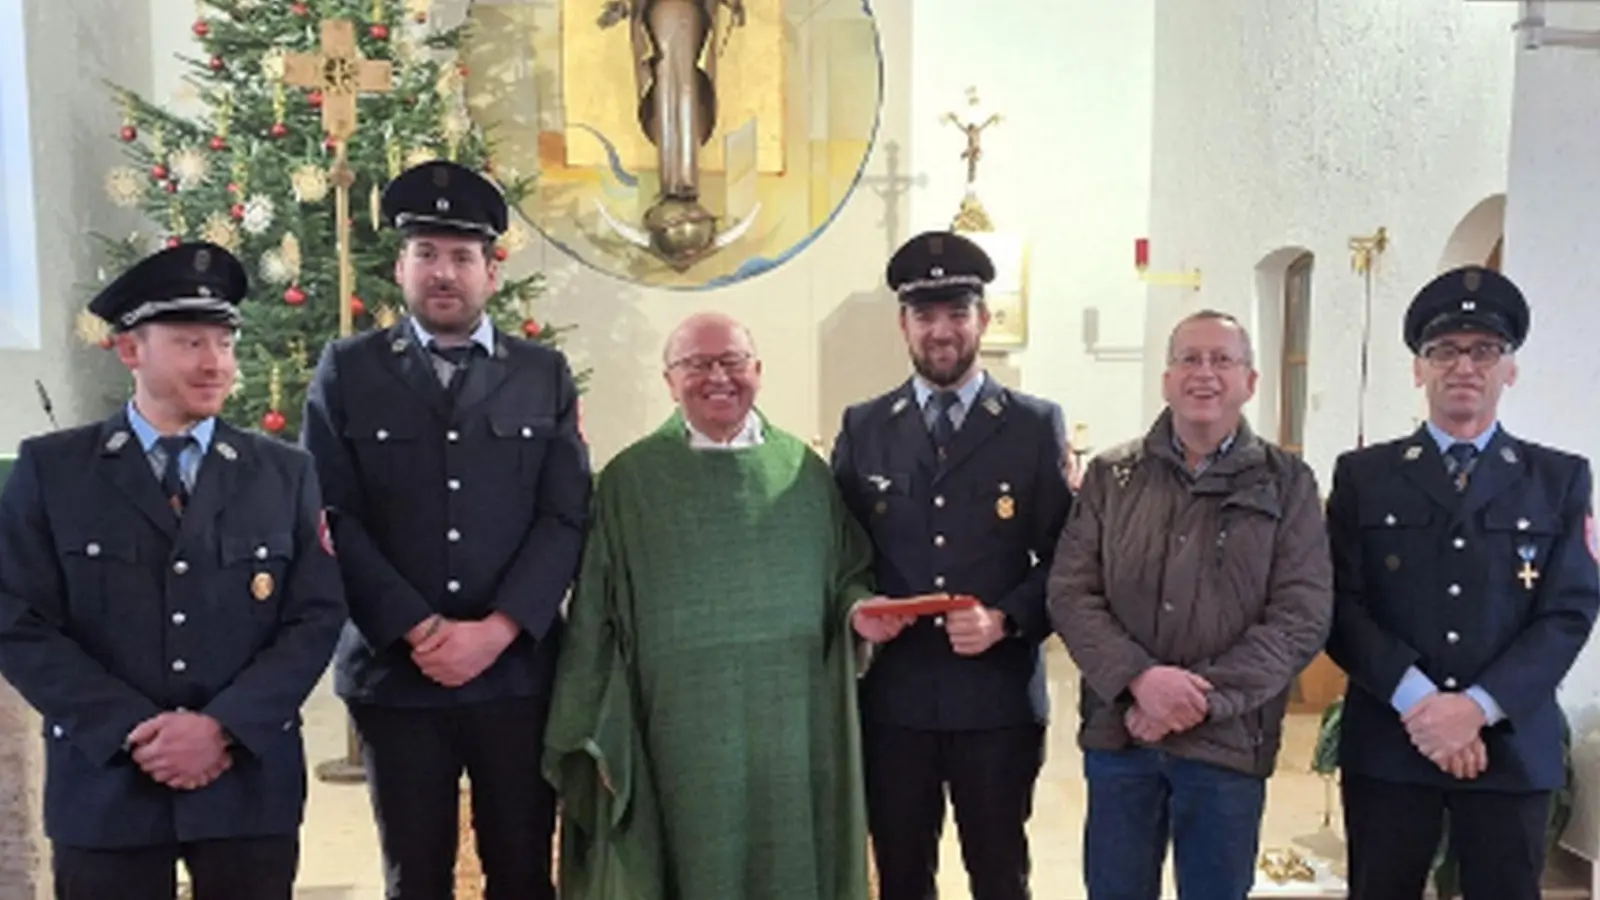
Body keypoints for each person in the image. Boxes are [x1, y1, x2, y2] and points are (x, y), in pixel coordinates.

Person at [0, 242, 346, 900]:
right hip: (106, 782)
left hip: (246, 780)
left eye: (223, 343)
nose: (215, 363)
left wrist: (221, 728)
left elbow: (315, 615)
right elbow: (18, 620)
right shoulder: (55, 472)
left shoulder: (284, 473)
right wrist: (132, 730)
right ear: (131, 351)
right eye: (190, 343)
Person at [300, 160, 590, 900]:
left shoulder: (543, 374)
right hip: (398, 677)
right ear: (400, 265)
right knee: (415, 875)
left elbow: (564, 514)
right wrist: (419, 629)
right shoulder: (349, 369)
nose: (443, 272)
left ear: (491, 271)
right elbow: (334, 514)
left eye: (462, 256)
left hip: (516, 675)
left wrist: (496, 630)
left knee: (523, 871)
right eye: (426, 253)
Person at [543, 312, 873, 900]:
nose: (717, 377)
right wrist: (590, 722)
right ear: (670, 381)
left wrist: (858, 612)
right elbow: (595, 613)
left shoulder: (804, 473)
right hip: (674, 729)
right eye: (697, 364)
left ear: (758, 372)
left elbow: (848, 573)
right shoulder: (630, 481)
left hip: (790, 726)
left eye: (732, 362)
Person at [1325, 266, 1600, 900]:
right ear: (1419, 369)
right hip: (1392, 744)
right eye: (1444, 350)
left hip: (1510, 743)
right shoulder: (1365, 475)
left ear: (1510, 369)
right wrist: (1422, 704)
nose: (1464, 366)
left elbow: (1568, 611)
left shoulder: (1558, 479)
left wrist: (1475, 708)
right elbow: (1340, 604)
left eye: (1484, 350)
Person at [1047, 309, 1333, 900]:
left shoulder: (1288, 483)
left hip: (1229, 744)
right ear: (1167, 378)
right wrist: (1139, 681)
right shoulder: (1112, 476)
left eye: (1222, 360)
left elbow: (1299, 615)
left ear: (1250, 381)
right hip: (1122, 736)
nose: (1205, 374)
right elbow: (1071, 592)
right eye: (1190, 359)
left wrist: (1194, 700)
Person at [830, 230, 1072, 900]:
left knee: (1000, 874)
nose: (942, 331)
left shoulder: (1032, 425)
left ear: (983, 320)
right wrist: (857, 609)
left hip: (995, 701)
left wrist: (1007, 618)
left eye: (957, 314)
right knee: (903, 878)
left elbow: (1068, 561)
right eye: (925, 315)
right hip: (896, 700)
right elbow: (840, 553)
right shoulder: (865, 426)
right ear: (903, 324)